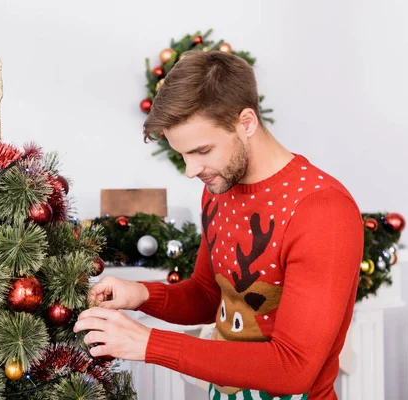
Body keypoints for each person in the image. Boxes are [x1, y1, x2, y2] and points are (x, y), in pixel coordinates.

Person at [73, 50, 364, 399]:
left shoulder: (322, 210)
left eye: (201, 150)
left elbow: (294, 368)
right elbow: (210, 294)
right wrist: (142, 294)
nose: (191, 170)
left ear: (246, 122)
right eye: (183, 154)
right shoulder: (218, 187)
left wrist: (148, 343)